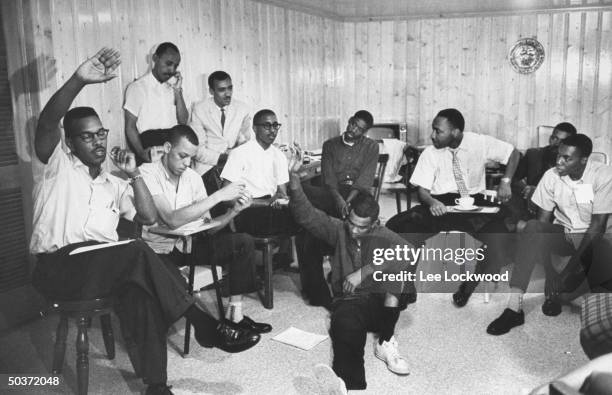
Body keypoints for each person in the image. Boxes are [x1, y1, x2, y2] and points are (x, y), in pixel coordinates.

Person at [30, 48, 258, 395]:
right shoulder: (58, 168)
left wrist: (135, 175)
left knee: (143, 294)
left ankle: (156, 386)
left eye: (101, 133)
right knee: (136, 250)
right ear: (70, 142)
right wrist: (79, 80)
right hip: (59, 267)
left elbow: (149, 217)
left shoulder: (115, 183)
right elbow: (47, 122)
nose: (98, 141)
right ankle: (202, 322)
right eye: (86, 136)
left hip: (102, 268)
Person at [287, 146, 415, 393]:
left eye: (361, 227)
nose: (354, 230)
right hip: (351, 302)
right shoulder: (338, 229)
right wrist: (294, 180)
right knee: (343, 328)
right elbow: (306, 215)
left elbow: (409, 252)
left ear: (375, 224)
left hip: (380, 303)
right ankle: (347, 385)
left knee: (397, 277)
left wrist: (365, 271)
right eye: (351, 223)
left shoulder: (382, 234)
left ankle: (386, 342)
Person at [139, 124, 271, 334]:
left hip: (189, 247)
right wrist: (218, 196)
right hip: (159, 251)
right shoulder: (147, 173)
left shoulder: (193, 178)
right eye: (182, 156)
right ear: (166, 147)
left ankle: (234, 316)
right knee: (173, 285)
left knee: (243, 242)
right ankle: (197, 329)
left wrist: (233, 212)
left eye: (190, 158)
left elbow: (208, 229)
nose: (186, 163)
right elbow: (171, 219)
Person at [385, 108, 521, 307]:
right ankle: (407, 287)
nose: (432, 135)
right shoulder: (430, 154)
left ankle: (470, 284)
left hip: (474, 206)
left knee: (500, 238)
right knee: (406, 229)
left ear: (455, 132)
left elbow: (513, 153)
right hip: (441, 205)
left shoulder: (479, 143)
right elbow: (422, 191)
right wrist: (433, 202)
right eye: (433, 130)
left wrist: (506, 181)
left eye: (438, 131)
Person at [487, 134, 612, 335]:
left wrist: (565, 274)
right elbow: (541, 228)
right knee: (533, 227)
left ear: (583, 160)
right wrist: (551, 275)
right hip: (565, 233)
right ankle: (513, 308)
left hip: (597, 241)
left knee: (583, 293)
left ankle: (572, 293)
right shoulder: (551, 176)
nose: (559, 161)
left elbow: (596, 228)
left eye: (566, 158)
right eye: (559, 155)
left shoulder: (603, 175)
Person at [220, 109, 296, 236]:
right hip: (247, 210)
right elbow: (226, 197)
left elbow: (281, 193)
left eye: (275, 125)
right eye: (267, 126)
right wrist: (265, 203)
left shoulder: (279, 155)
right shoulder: (240, 153)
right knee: (294, 220)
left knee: (303, 213)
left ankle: (283, 255)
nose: (272, 130)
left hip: (271, 207)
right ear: (255, 129)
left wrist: (282, 199)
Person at [124, 42, 189, 163]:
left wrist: (178, 92)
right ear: (155, 58)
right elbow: (130, 126)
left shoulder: (173, 88)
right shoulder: (138, 87)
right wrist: (140, 152)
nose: (172, 70)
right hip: (150, 145)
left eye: (175, 66)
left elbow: (183, 121)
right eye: (168, 63)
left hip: (173, 144)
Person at [189, 70, 252, 195]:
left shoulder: (242, 109)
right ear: (212, 91)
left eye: (230, 88)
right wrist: (224, 157)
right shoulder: (199, 109)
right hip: (207, 168)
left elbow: (246, 141)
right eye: (222, 90)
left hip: (233, 167)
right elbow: (197, 150)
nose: (228, 94)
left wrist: (236, 156)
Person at [508, 122, 578, 230]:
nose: (556, 143)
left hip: (557, 211)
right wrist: (526, 188)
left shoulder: (572, 163)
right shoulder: (534, 154)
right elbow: (514, 179)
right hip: (528, 205)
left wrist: (539, 192)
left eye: (562, 141)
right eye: (554, 138)